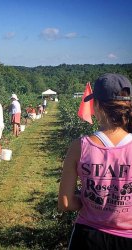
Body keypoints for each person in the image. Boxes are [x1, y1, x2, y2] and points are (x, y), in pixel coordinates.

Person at [58, 73, 132, 250]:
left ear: (97, 105)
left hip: (88, 237)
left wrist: (93, 200)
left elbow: (65, 203)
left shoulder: (80, 146)